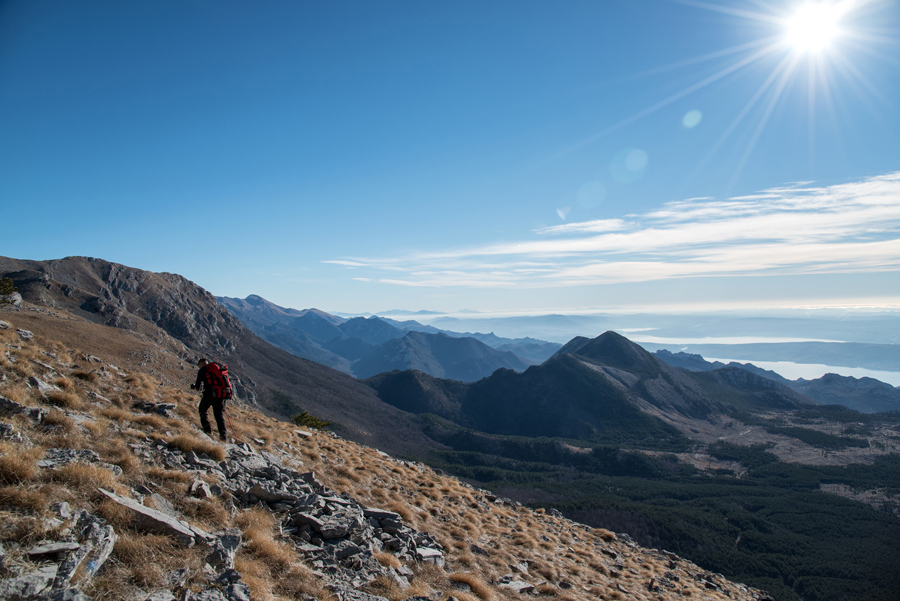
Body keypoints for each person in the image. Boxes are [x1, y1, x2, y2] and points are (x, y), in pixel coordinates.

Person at [192, 358, 227, 441]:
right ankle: (223, 437)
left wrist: (194, 387)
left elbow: (197, 386)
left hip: (209, 395)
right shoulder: (216, 369)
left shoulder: (202, 370)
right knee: (219, 416)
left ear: (201, 363)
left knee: (202, 410)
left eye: (199, 365)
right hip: (220, 395)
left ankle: (208, 432)